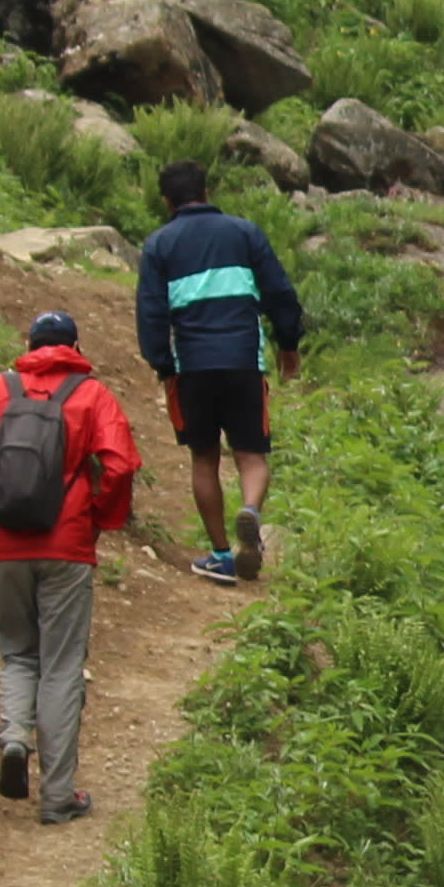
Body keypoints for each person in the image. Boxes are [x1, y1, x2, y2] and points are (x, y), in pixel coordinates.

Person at [0, 309, 140, 827]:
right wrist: (101, 520)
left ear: (29, 343)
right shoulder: (92, 396)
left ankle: (13, 738)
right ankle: (57, 796)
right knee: (62, 665)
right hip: (66, 545)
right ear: (73, 346)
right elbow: (119, 464)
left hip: (3, 543)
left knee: (19, 655)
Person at [134, 160, 304, 586]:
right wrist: (289, 345)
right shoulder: (245, 233)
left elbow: (151, 312)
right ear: (206, 193)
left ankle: (222, 555)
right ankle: (250, 511)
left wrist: (163, 364)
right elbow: (280, 292)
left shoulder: (159, 245)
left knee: (204, 457)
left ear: (167, 201)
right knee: (251, 456)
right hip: (244, 362)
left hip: (193, 367)